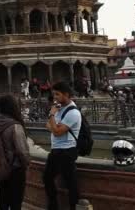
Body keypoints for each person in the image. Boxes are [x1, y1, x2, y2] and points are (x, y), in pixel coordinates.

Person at [43, 82, 81, 210]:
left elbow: (57, 131)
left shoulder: (73, 112)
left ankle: (73, 207)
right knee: (47, 178)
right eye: (54, 94)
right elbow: (48, 125)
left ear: (66, 94)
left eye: (57, 94)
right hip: (56, 150)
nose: (55, 97)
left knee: (70, 183)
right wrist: (54, 125)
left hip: (67, 151)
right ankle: (53, 206)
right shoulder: (59, 108)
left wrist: (52, 116)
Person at [0, 95, 30, 210]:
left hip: (0, 166)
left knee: (3, 201)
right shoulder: (15, 126)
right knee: (16, 202)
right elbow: (22, 151)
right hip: (15, 168)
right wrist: (27, 164)